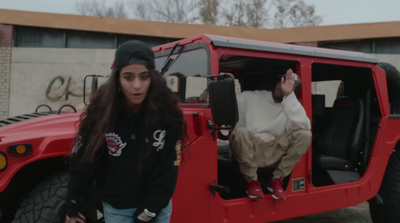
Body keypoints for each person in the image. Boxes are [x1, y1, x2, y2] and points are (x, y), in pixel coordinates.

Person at [64, 40, 185, 223]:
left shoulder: (168, 115)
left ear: (152, 78)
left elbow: (169, 168)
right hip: (118, 210)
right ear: (118, 79)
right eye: (128, 77)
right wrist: (72, 205)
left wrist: (149, 211)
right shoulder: (101, 115)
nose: (137, 85)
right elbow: (83, 162)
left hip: (157, 208)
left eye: (144, 77)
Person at [229, 68, 311, 200]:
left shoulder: (291, 107)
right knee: (241, 133)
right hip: (252, 147)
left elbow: (305, 126)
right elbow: (227, 102)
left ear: (293, 92)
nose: (282, 87)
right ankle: (252, 182)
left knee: (305, 135)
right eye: (282, 81)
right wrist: (208, 94)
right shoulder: (253, 96)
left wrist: (289, 97)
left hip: (274, 150)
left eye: (289, 86)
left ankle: (277, 180)